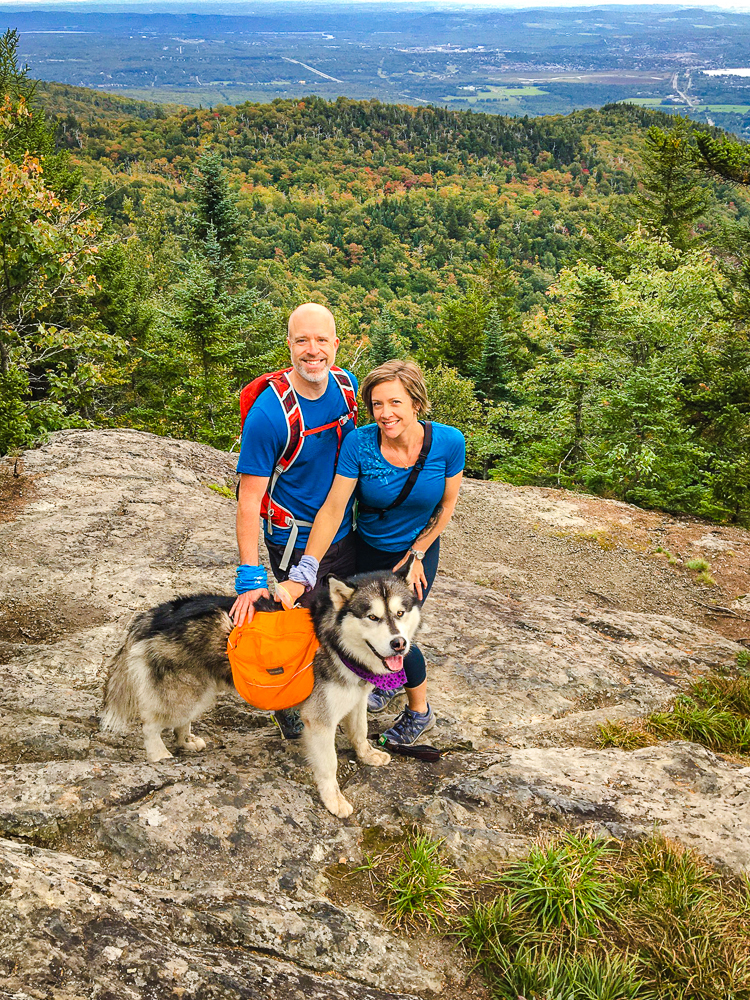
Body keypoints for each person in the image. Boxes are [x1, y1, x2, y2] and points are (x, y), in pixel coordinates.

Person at [280, 359, 465, 746]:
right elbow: (334, 507)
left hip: (415, 554)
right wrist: (306, 569)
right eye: (377, 404)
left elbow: (446, 506)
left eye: (395, 402)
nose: (385, 413)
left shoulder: (448, 442)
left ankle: (419, 712)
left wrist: (418, 550)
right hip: (367, 549)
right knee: (367, 627)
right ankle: (381, 679)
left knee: (398, 630)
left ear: (417, 402)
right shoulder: (360, 443)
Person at [229, 302, 358, 739]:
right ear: (288, 345)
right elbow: (248, 499)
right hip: (296, 538)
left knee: (341, 614)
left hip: (342, 528)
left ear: (335, 345)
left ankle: (335, 689)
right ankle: (289, 699)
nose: (312, 350)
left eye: (321, 340)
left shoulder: (347, 387)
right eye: (302, 340)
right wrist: (250, 576)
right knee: (299, 619)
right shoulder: (270, 414)